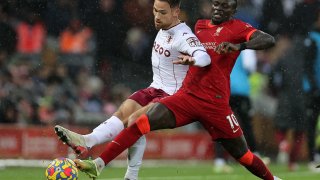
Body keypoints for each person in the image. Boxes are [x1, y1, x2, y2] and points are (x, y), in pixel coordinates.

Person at [73, 0, 280, 179]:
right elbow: (190, 47)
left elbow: (268, 40)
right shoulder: (199, 26)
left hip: (215, 103)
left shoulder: (238, 28)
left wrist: (239, 47)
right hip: (187, 97)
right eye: (216, 4)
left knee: (243, 155)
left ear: (233, 11)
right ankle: (98, 164)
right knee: (139, 122)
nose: (218, 9)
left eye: (225, 7)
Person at [54, 0, 210, 179]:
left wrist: (193, 60)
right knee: (123, 112)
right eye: (155, 11)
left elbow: (204, 57)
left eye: (163, 12)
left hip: (173, 96)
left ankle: (121, 171)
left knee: (136, 121)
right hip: (155, 88)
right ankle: (87, 141)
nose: (157, 17)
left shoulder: (183, 35)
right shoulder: (164, 28)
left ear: (176, 12)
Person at [304, 9, 320, 172]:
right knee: (312, 123)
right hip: (314, 90)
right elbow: (308, 66)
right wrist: (314, 87)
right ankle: (311, 157)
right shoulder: (312, 38)